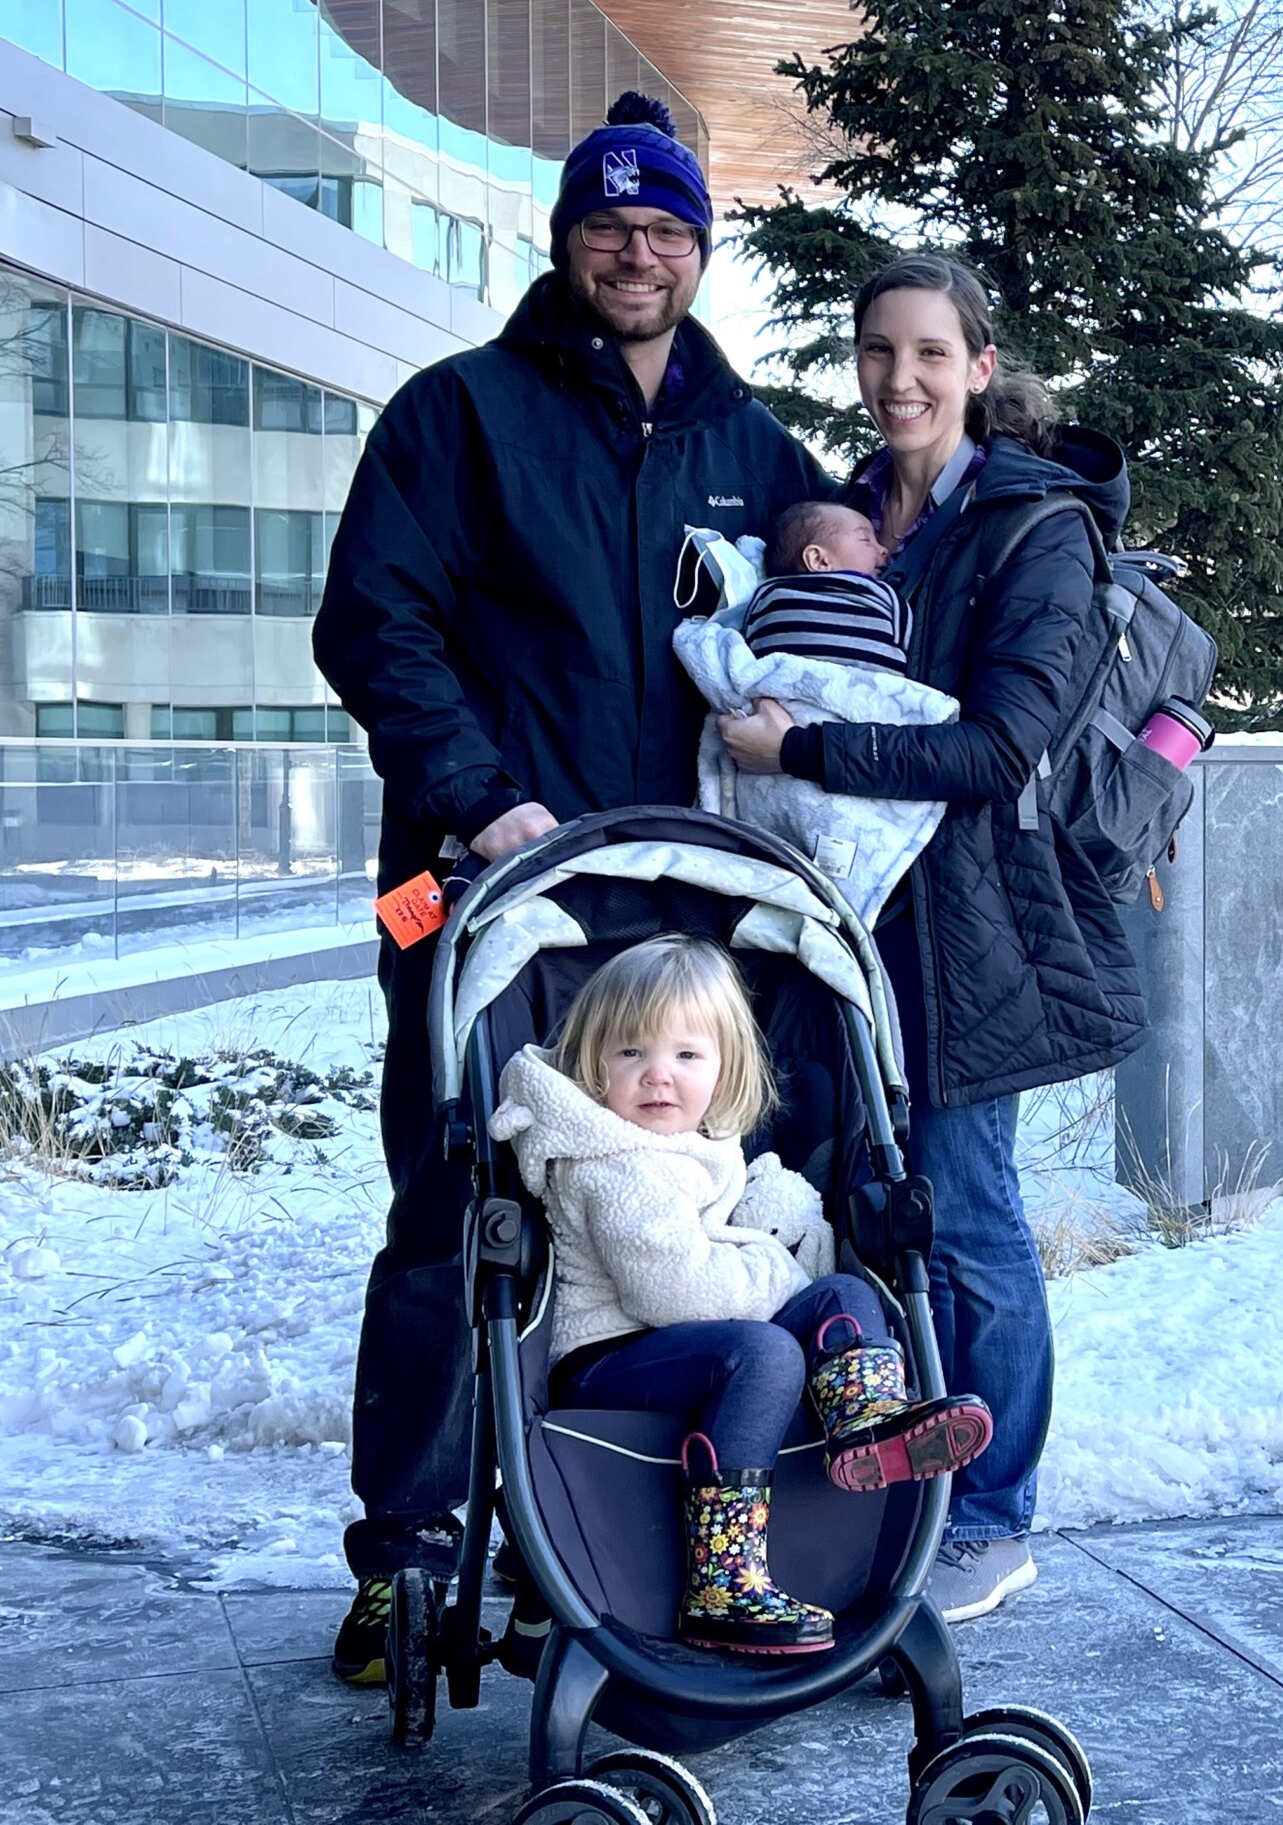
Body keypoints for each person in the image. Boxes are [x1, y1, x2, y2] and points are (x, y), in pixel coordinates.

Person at [312, 91, 834, 1684]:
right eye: (609, 226)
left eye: (667, 229)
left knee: (679, 1215)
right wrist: (479, 803)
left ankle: (619, 1542)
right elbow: (371, 626)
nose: (637, 251)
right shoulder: (457, 414)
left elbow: (859, 601)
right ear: (565, 242)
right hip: (475, 894)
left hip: (674, 927)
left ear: (699, 250)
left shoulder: (754, 448)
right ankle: (407, 1558)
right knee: (456, 1219)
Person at [719, 254, 1146, 1626]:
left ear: (978, 364)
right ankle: (894, 1486)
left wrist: (810, 746)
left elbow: (1004, 740)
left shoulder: (1037, 525)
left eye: (928, 354)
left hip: (972, 931)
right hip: (836, 923)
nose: (900, 380)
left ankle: (998, 1513)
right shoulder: (843, 520)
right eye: (876, 352)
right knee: (853, 1210)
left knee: (966, 1213)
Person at [490, 935, 992, 1655]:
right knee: (765, 1352)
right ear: (593, 1066)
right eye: (631, 1053)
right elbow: (677, 1291)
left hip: (687, 1340)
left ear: (724, 1072)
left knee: (843, 1294)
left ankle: (868, 1425)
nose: (658, 1076)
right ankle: (723, 1582)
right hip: (609, 1358)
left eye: (687, 1057)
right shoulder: (610, 1164)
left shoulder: (688, 1146)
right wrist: (775, 1271)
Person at [740, 501, 910, 675]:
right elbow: (910, 645)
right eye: (866, 539)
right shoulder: (881, 594)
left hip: (783, 691)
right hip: (874, 694)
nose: (883, 549)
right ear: (819, 560)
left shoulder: (765, 595)